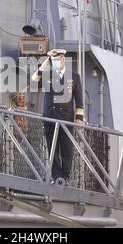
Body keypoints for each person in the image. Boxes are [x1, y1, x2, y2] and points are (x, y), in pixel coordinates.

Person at [32, 48, 84, 185]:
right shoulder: (47, 75)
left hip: (66, 119)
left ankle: (65, 177)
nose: (55, 63)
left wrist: (79, 118)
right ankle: (56, 177)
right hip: (50, 117)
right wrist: (45, 64)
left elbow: (79, 100)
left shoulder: (74, 77)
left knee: (67, 149)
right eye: (53, 61)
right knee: (52, 149)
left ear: (63, 60)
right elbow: (34, 80)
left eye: (57, 60)